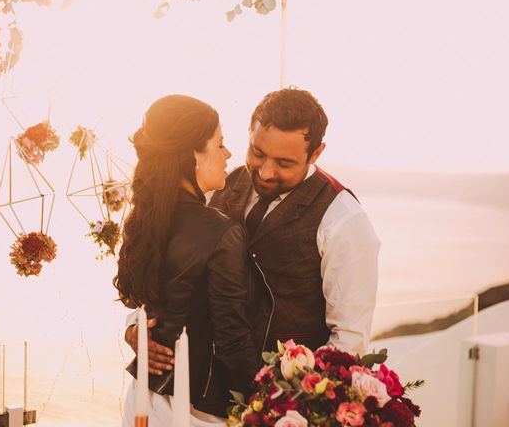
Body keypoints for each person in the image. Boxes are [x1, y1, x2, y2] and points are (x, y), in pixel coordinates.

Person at [127, 87, 379, 373]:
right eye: (257, 153)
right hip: (200, 396)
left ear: (316, 153)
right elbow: (163, 265)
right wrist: (136, 327)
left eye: (284, 163)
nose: (265, 172)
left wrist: (295, 404)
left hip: (277, 405)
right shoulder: (219, 185)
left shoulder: (343, 219)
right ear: (249, 132)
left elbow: (349, 339)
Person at [117, 95, 271, 426]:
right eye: (219, 144)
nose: (227, 154)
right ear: (193, 156)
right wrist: (268, 406)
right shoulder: (220, 231)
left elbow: (146, 303)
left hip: (144, 397)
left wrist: (132, 329)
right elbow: (231, 339)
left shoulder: (146, 218)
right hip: (196, 411)